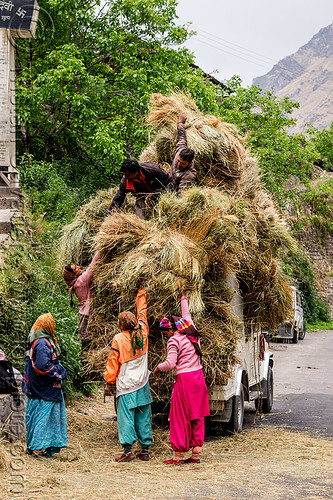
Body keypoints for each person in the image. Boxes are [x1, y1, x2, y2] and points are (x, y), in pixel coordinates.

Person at [153, 293, 210, 465]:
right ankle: (196, 454)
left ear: (171, 329)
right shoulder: (191, 330)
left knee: (180, 417)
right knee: (197, 415)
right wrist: (183, 297)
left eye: (166, 332)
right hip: (198, 377)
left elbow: (170, 364)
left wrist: (158, 368)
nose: (166, 336)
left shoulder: (174, 340)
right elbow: (187, 315)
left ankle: (178, 456)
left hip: (185, 381)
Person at [104, 287, 153, 462]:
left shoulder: (119, 339)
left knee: (126, 418)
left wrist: (109, 382)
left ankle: (127, 451)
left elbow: (112, 363)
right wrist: (141, 292)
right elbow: (142, 313)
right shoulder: (143, 332)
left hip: (126, 386)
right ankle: (145, 450)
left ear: (121, 324)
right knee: (143, 416)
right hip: (143, 383)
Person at [22, 313, 67, 460]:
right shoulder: (42, 343)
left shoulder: (36, 340)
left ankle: (34, 446)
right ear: (48, 326)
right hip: (44, 388)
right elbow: (42, 366)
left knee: (35, 415)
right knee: (43, 417)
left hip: (37, 387)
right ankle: (38, 450)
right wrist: (59, 372)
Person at [106, 159, 174, 218]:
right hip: (140, 194)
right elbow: (119, 196)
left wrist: (168, 196)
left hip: (157, 190)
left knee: (158, 208)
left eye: (128, 175)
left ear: (136, 172)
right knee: (139, 207)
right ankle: (141, 225)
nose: (125, 177)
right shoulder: (125, 181)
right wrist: (109, 212)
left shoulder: (152, 170)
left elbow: (169, 180)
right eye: (124, 174)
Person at [62, 252, 100, 352]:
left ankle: (85, 362)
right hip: (88, 316)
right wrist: (100, 248)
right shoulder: (81, 281)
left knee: (86, 344)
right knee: (90, 343)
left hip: (83, 315)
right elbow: (93, 265)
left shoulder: (75, 283)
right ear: (72, 274)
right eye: (76, 268)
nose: (79, 267)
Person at [171, 115, 196, 194]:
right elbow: (181, 137)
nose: (178, 165)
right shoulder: (180, 151)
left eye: (182, 164)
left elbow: (181, 195)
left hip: (172, 192)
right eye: (178, 161)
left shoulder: (189, 176)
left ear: (190, 163)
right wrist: (180, 123)